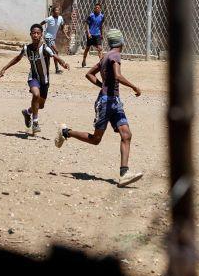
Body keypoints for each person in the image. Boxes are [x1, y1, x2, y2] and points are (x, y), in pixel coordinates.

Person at [55, 28, 143, 187]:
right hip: (106, 102)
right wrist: (134, 87)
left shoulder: (105, 57)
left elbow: (89, 74)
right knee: (96, 139)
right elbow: (117, 75)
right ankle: (65, 132)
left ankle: (124, 173)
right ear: (121, 42)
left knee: (126, 134)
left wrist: (103, 86)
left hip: (114, 101)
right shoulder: (115, 55)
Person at [0, 23, 70, 135]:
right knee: (35, 95)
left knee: (40, 105)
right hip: (33, 77)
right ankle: (35, 122)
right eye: (33, 33)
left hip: (45, 80)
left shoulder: (44, 48)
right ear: (30, 34)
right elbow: (17, 58)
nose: (35, 35)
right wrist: (4, 68)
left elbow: (54, 55)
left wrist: (63, 62)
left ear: (41, 35)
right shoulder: (27, 48)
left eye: (38, 33)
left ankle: (27, 112)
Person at [42, 5, 66, 73]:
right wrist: (39, 33)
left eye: (58, 10)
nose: (57, 11)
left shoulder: (60, 18)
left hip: (53, 38)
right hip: (48, 37)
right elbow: (40, 24)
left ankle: (49, 67)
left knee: (51, 53)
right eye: (56, 10)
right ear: (53, 12)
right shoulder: (49, 18)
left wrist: (65, 33)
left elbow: (62, 25)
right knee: (56, 51)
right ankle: (57, 69)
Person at [81, 3, 105, 68]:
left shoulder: (102, 16)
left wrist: (101, 34)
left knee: (99, 48)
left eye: (98, 8)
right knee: (87, 48)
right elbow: (87, 24)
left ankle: (101, 62)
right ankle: (84, 60)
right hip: (91, 34)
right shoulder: (91, 15)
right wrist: (88, 33)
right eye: (95, 8)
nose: (96, 9)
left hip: (97, 34)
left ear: (100, 9)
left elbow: (101, 26)